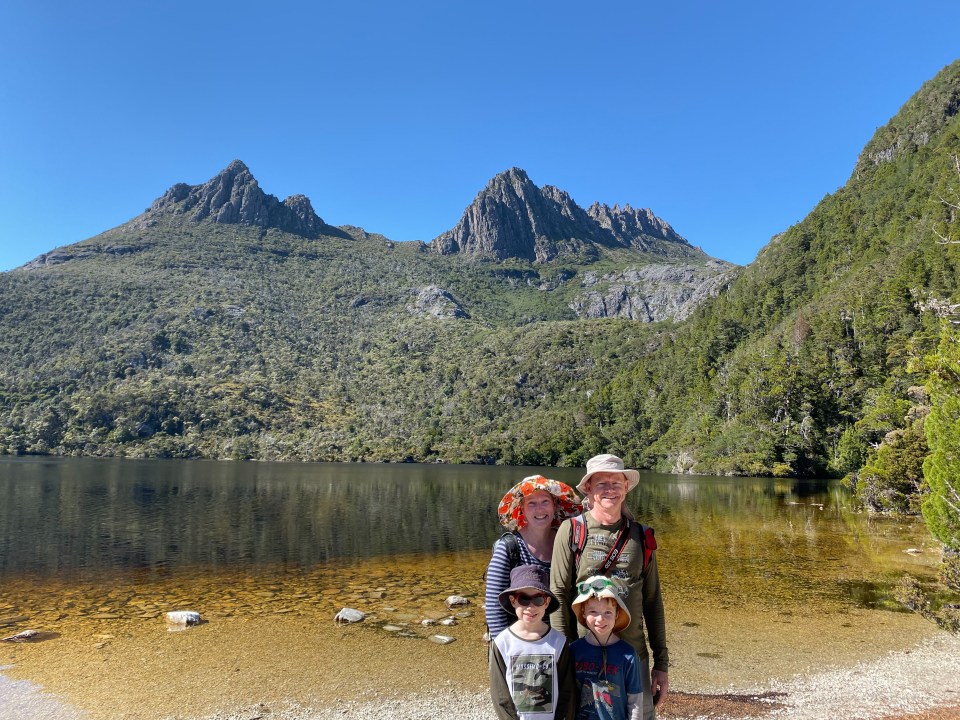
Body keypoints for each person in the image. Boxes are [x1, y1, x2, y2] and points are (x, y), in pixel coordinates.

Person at [549, 454, 668, 720]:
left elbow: (652, 601)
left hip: (633, 656)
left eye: (616, 482)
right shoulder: (571, 531)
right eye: (601, 483)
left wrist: (661, 664)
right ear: (589, 488)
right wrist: (565, 659)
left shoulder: (641, 535)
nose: (610, 489)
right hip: (583, 661)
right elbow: (558, 595)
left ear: (626, 487)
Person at [485, 475, 581, 639]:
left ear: (555, 505)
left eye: (545, 501)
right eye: (531, 503)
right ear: (521, 508)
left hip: (563, 639)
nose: (540, 510)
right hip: (520, 641)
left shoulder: (567, 542)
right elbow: (494, 608)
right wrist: (505, 648)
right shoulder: (509, 548)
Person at [489, 564, 577, 720]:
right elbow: (500, 696)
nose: (530, 607)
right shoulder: (502, 643)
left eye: (538, 599)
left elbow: (567, 692)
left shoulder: (559, 642)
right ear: (513, 600)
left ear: (546, 602)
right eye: (523, 599)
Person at [569, 576, 643, 720]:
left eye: (607, 612)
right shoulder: (574, 651)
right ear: (583, 613)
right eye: (593, 612)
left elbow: (635, 700)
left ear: (617, 614)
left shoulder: (628, 654)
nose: (600, 619)